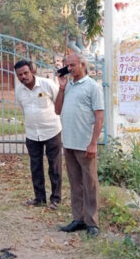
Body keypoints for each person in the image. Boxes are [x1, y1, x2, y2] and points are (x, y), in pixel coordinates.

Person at [54, 53, 104, 235]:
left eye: (73, 65)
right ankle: (78, 219)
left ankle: (92, 223)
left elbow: (99, 117)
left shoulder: (92, 87)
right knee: (75, 183)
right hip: (69, 142)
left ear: (83, 65)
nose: (70, 68)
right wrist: (61, 89)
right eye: (68, 65)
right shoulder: (68, 86)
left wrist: (93, 143)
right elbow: (57, 110)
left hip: (85, 144)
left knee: (90, 183)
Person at [13, 60, 62, 209]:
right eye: (20, 75)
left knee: (54, 166)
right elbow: (23, 108)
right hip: (32, 133)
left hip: (51, 131)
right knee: (35, 167)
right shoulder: (19, 90)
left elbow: (58, 102)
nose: (23, 77)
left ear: (32, 71)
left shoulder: (47, 84)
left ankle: (55, 199)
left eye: (26, 73)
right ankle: (39, 198)